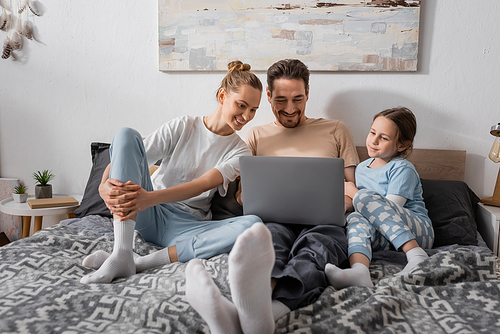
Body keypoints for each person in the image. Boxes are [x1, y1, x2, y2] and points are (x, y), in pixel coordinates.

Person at [186, 59, 359, 333]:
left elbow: (353, 187)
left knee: (315, 254)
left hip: (325, 223)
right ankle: (256, 310)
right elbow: (242, 195)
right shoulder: (254, 136)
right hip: (273, 221)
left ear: (308, 93)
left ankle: (261, 315)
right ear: (267, 96)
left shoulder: (336, 130)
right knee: (266, 251)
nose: (290, 109)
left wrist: (345, 201)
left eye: (297, 99)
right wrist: (248, 198)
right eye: (281, 100)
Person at [80, 60, 264, 284]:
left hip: (186, 225)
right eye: (242, 105)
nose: (247, 116)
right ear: (223, 96)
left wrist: (148, 198)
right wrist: (103, 184)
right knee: (126, 134)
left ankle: (136, 262)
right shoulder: (184, 126)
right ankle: (121, 250)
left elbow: (204, 183)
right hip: (149, 214)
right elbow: (133, 151)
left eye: (253, 110)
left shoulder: (241, 151)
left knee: (253, 224)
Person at [325, 107, 434, 289]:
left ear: (402, 145)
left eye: (383, 138)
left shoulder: (402, 169)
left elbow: (389, 208)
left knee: (365, 198)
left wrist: (352, 191)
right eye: (372, 133)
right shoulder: (361, 168)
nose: (373, 141)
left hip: (417, 230)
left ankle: (416, 254)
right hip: (385, 236)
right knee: (355, 218)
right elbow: (365, 210)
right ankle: (360, 271)